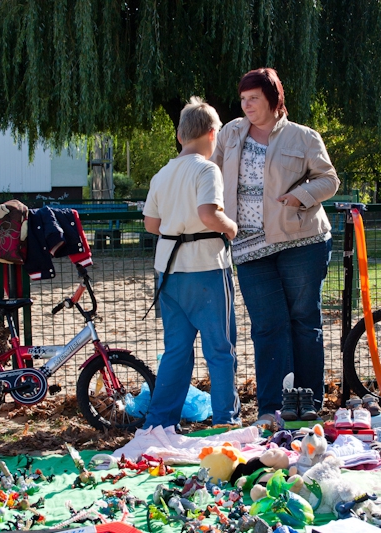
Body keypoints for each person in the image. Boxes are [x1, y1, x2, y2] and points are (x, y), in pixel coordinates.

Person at [211, 67, 340, 428]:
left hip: (302, 241)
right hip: (249, 247)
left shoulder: (303, 137)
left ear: (273, 99)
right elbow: (212, 174)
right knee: (267, 326)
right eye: (243, 99)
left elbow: (329, 179)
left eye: (254, 98)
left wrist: (300, 197)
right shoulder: (231, 133)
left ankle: (308, 402)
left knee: (303, 321)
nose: (247, 105)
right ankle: (271, 408)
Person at [142, 96, 241, 429]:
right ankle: (225, 419)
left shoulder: (162, 174)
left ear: (180, 136)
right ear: (213, 134)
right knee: (219, 349)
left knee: (176, 351)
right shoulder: (206, 169)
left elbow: (151, 225)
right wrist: (231, 227)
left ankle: (160, 422)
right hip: (206, 268)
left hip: (168, 272)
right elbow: (207, 214)